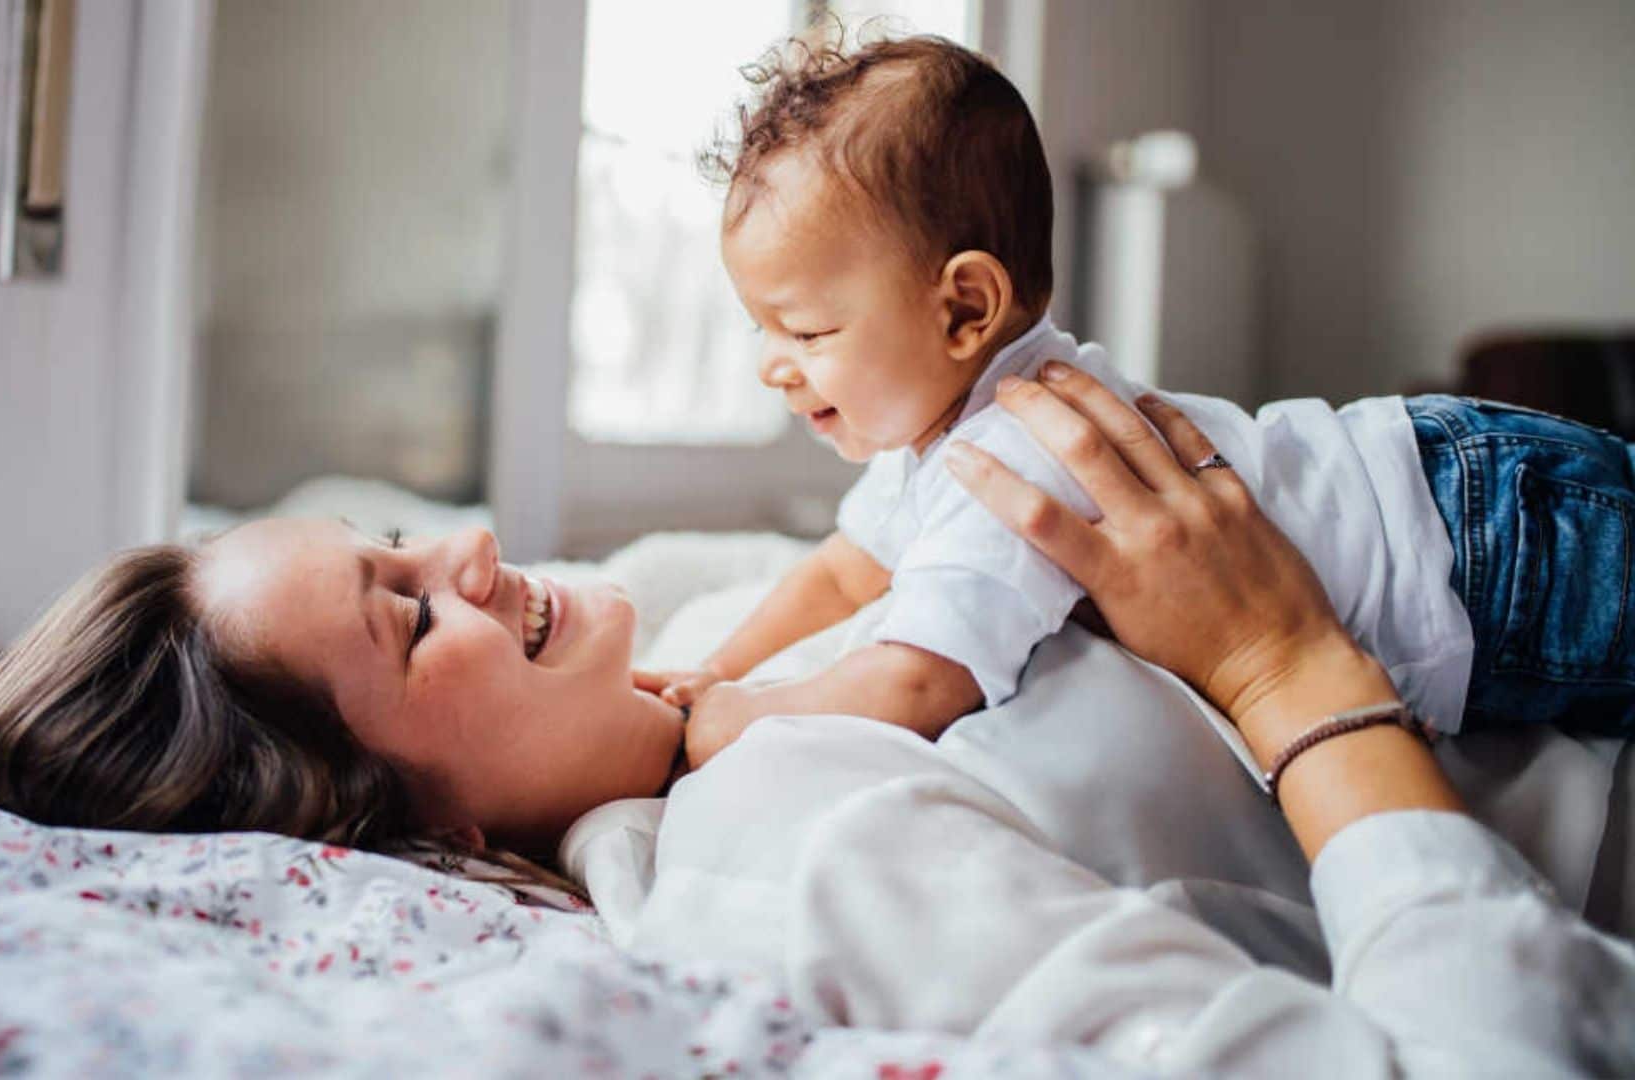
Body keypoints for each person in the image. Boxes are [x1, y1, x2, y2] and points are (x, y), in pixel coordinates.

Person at [595, 367, 1635, 1074]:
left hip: (1477, 528)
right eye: (420, 619)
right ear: (441, 834)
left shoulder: (951, 459)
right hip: (1479, 616)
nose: (775, 368)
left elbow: (858, 604)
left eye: (811, 330)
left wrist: (724, 682)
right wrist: (1278, 667)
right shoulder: (761, 845)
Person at [644, 33, 1635, 768]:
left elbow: (915, 681)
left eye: (808, 332)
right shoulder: (934, 440)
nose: (775, 367)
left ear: (964, 310)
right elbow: (842, 575)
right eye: (762, 330)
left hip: (1479, 548)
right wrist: (719, 668)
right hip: (1455, 490)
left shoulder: (1016, 453)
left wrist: (744, 720)